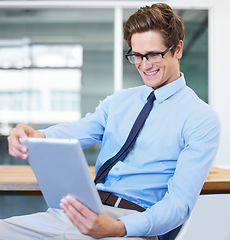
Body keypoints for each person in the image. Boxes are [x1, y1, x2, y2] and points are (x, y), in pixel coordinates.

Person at [1, 3, 220, 240]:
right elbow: (79, 130)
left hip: (129, 225)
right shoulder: (119, 102)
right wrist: (36, 136)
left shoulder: (201, 120)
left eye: (154, 54)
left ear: (177, 49)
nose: (144, 65)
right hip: (78, 212)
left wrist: (117, 228)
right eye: (137, 55)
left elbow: (178, 206)